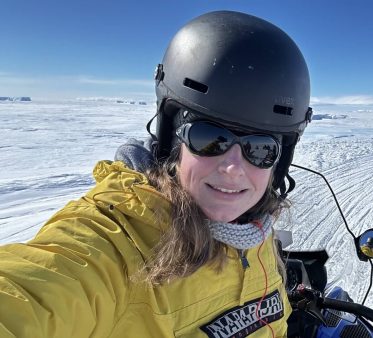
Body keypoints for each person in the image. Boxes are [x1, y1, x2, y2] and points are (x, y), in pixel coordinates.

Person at [0, 10, 311, 337]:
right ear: (172, 141)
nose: (234, 168)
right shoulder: (117, 245)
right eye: (209, 139)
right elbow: (34, 291)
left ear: (280, 162)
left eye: (260, 149)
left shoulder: (255, 232)